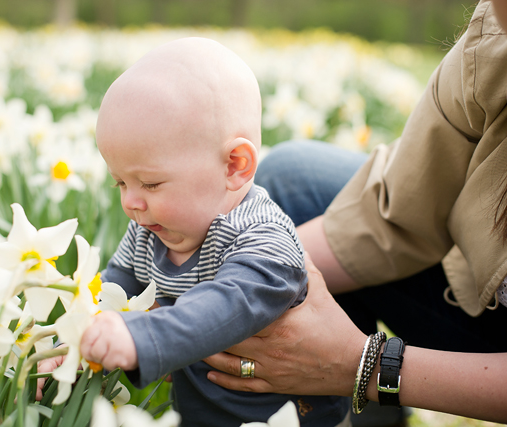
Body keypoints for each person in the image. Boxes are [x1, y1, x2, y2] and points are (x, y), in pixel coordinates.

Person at [202, 0, 507, 424]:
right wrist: (212, 287)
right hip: (485, 301)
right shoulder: (495, 37)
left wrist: (361, 366)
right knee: (295, 186)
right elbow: (391, 210)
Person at [39, 37, 350, 426]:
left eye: (150, 184)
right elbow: (113, 288)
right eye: (120, 183)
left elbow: (224, 306)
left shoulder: (265, 239)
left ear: (234, 166)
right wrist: (66, 341)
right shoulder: (154, 231)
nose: (131, 203)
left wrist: (141, 337)